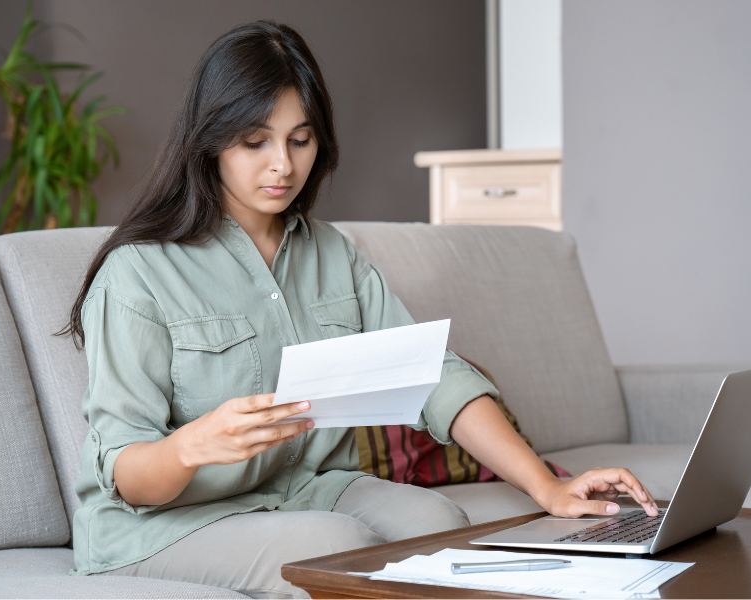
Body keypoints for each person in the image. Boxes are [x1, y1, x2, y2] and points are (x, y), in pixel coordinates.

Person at [64, 20, 658, 598]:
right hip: (163, 522)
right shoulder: (137, 273)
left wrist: (546, 487)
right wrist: (191, 445)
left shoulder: (331, 254)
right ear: (210, 140)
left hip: (306, 487)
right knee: (334, 545)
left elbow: (433, 374)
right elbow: (125, 471)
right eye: (255, 142)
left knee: (440, 525)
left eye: (300, 139)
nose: (283, 165)